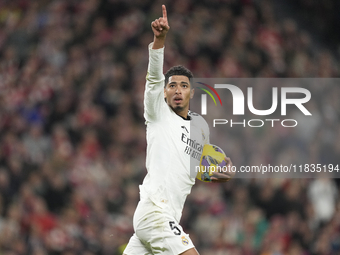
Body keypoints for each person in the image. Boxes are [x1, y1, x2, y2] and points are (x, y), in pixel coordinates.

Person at [123, 5, 233, 255]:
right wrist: (159, 40)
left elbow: (196, 168)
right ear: (164, 92)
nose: (177, 90)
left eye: (184, 85)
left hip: (166, 216)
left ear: (191, 93)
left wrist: (220, 172)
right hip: (155, 212)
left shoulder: (200, 127)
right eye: (172, 85)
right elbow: (153, 78)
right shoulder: (157, 113)